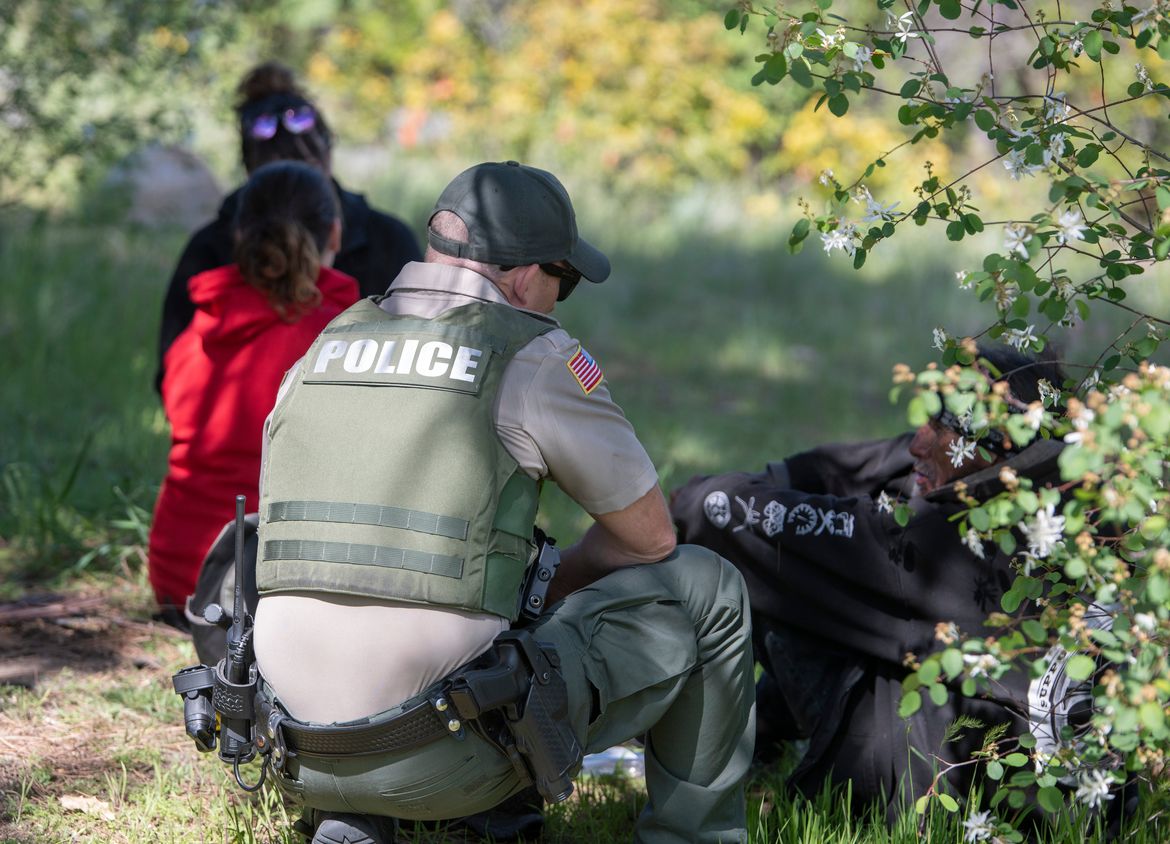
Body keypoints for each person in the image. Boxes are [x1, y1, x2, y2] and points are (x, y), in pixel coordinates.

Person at [250, 161, 755, 844]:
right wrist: (557, 588)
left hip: (288, 746)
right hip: (440, 746)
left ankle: (359, 812)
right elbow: (649, 538)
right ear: (523, 275)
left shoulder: (325, 344)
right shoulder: (532, 352)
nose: (557, 299)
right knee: (709, 587)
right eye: (563, 281)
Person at [671, 346, 1074, 820]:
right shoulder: (1055, 499)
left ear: (998, 446)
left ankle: (731, 750)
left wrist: (657, 518)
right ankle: (762, 736)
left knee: (774, 567)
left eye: (942, 427)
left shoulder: (944, 546)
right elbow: (859, 467)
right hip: (1058, 794)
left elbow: (712, 509)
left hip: (939, 798)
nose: (918, 444)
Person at [147, 161, 359, 616]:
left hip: (176, 579)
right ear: (335, 235)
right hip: (262, 588)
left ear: (239, 235)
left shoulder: (198, 331)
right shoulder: (341, 340)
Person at [155, 61, 420, 393]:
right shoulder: (210, 251)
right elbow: (173, 376)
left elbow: (419, 365)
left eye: (306, 176)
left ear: (329, 149)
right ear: (249, 172)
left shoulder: (387, 241)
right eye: (278, 180)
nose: (295, 192)